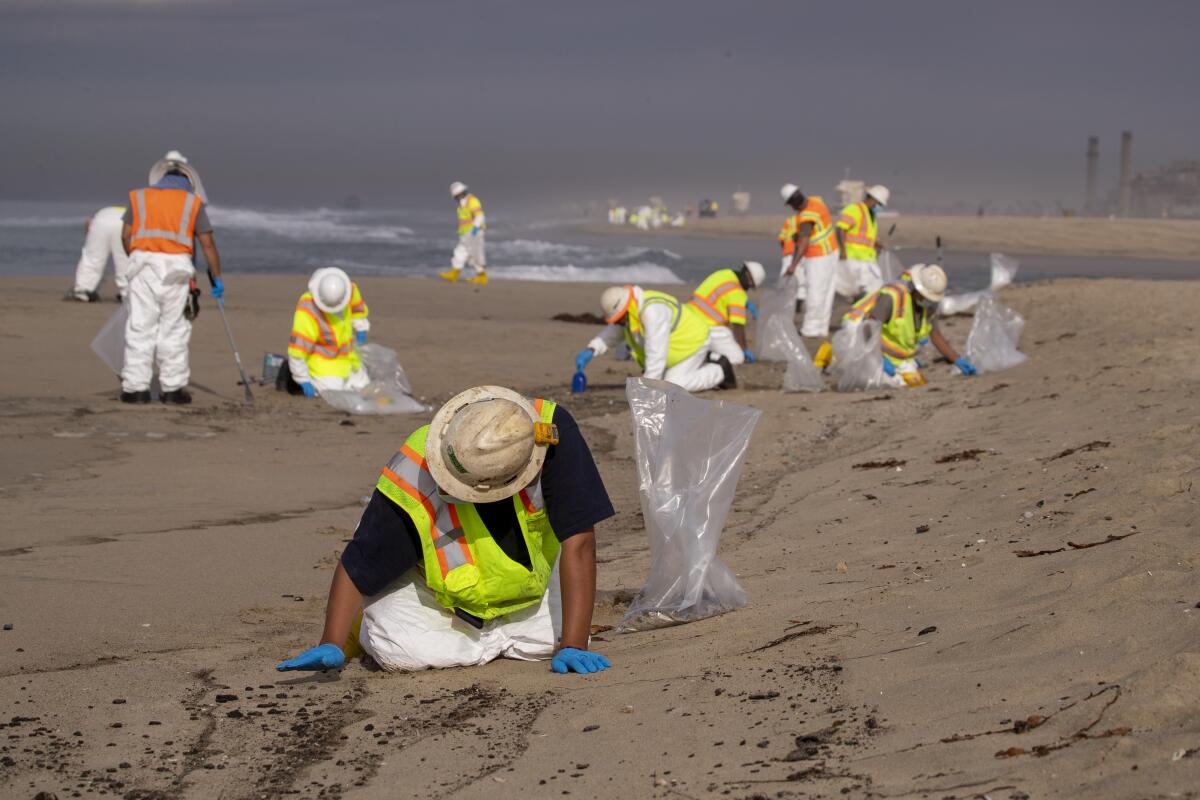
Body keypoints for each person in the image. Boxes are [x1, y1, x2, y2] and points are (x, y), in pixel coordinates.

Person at [277, 386, 614, 675]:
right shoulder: (414, 468)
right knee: (399, 652)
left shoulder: (550, 431)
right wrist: (333, 642)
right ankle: (365, 626)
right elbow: (361, 560)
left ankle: (496, 641)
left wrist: (572, 645)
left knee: (569, 634)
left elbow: (579, 541)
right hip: (440, 598)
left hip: (527, 588)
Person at [118, 150, 221, 405]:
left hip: (143, 267)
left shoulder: (138, 197)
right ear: (189, 181)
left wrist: (137, 256)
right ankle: (173, 389)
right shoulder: (192, 202)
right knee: (173, 330)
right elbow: (207, 244)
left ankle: (136, 389)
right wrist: (216, 278)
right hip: (177, 270)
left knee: (140, 328)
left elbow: (125, 235)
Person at [574, 285, 734, 392]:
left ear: (625, 310)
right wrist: (592, 348)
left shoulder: (652, 311)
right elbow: (615, 332)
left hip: (693, 343)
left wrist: (647, 390)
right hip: (676, 348)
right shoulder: (632, 312)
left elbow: (656, 355)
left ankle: (720, 371)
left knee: (673, 385)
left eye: (619, 319)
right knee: (662, 381)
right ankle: (706, 362)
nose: (618, 323)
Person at [843, 263, 978, 386]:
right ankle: (834, 357)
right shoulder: (893, 297)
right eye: (925, 297)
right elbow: (867, 329)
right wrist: (878, 358)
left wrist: (957, 360)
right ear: (916, 290)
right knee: (890, 384)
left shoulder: (930, 306)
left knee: (917, 383)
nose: (928, 302)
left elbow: (936, 335)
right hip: (867, 343)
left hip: (897, 356)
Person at [286, 267, 371, 397]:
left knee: (365, 388)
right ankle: (293, 374)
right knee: (336, 393)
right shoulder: (307, 310)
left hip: (349, 358)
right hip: (323, 364)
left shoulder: (347, 288)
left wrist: (361, 326)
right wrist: (302, 379)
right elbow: (298, 348)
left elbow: (357, 307)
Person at [780, 185, 839, 339]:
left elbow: (804, 241)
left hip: (818, 256)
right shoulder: (816, 201)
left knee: (815, 292)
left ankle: (810, 329)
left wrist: (793, 265)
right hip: (831, 252)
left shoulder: (807, 216)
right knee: (826, 293)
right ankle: (821, 328)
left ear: (793, 203)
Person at [688, 261, 767, 364]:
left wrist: (744, 302)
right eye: (750, 286)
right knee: (736, 357)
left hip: (689, 318)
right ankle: (707, 356)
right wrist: (744, 350)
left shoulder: (725, 273)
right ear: (750, 280)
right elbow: (738, 326)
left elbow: (721, 292)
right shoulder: (737, 293)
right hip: (710, 327)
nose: (748, 289)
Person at [834, 184, 889, 301]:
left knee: (873, 290)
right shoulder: (855, 209)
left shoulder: (871, 216)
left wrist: (876, 244)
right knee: (858, 291)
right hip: (853, 259)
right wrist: (842, 251)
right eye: (879, 204)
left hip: (867, 260)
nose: (879, 207)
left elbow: (865, 237)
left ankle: (861, 312)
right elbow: (840, 229)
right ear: (873, 199)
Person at [65, 206, 131, 302]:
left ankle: (82, 290)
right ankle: (127, 292)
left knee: (92, 259)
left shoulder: (101, 213)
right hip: (123, 222)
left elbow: (88, 222)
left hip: (100, 221)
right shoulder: (133, 209)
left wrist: (90, 238)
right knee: (124, 259)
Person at [440, 182, 487, 285]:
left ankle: (481, 276)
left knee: (475, 254)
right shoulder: (462, 205)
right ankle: (454, 273)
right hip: (465, 233)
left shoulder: (472, 201)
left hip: (474, 233)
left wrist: (475, 229)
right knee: (460, 251)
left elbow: (479, 216)